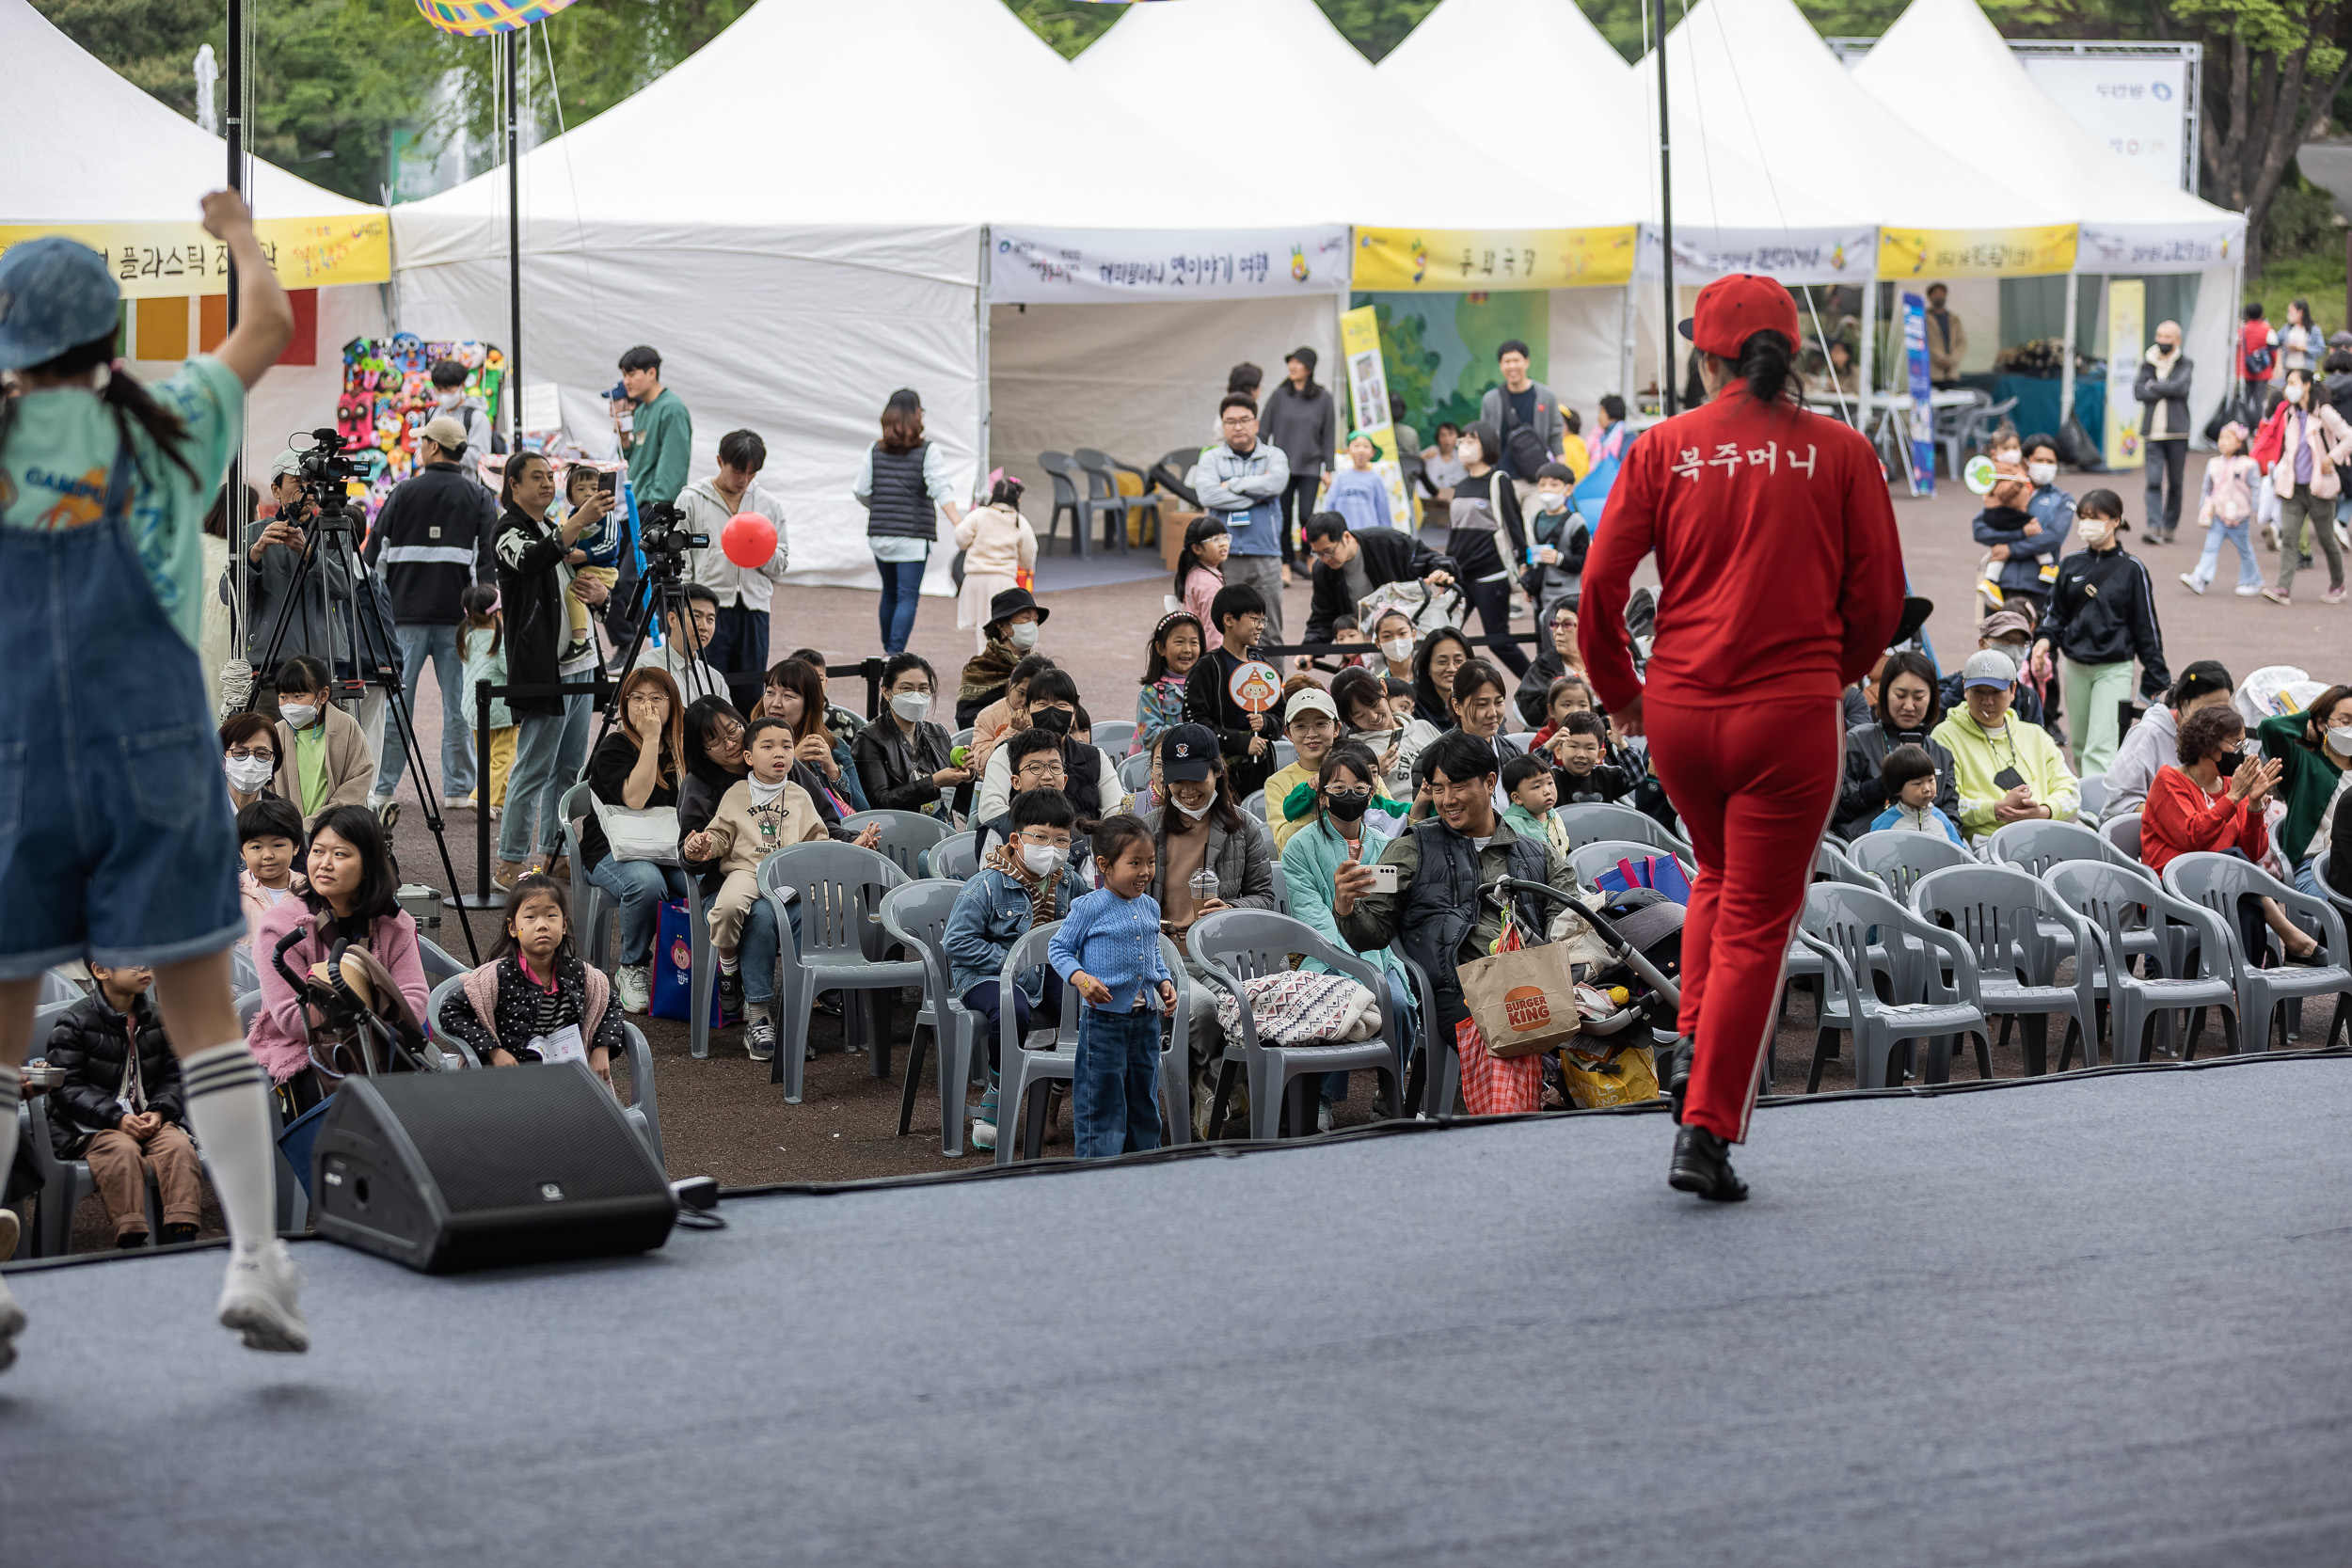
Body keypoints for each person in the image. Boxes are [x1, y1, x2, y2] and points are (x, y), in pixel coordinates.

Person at [1578, 274, 1905, 1201]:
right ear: (1790, 351)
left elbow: (1598, 588)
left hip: (1679, 712)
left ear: (1705, 353)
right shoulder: (1840, 450)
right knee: (1760, 918)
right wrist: (1823, 668)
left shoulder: (1662, 447)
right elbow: (1879, 600)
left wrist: (1623, 693)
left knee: (1720, 876)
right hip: (1787, 714)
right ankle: (1706, 1127)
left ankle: (1691, 1041)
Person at [1332, 731, 1581, 1117]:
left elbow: (1568, 917)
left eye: (1458, 786)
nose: (1446, 800)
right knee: (1508, 1041)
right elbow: (1373, 933)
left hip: (1535, 982)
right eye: (1437, 788)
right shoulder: (1409, 847)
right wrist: (1346, 907)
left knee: (1614, 1026)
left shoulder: (1534, 852)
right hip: (1454, 988)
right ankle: (1510, 1145)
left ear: (1490, 782)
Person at [1135, 725, 1277, 1134]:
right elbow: (1122, 898)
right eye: (1177, 779)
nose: (1187, 789)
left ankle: (1213, 1081)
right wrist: (1152, 923)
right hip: (1165, 957)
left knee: (1252, 1008)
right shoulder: (1146, 829)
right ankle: (1214, 1080)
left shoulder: (1244, 829)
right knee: (1201, 1010)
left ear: (1217, 772)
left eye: (1197, 777)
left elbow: (1265, 896)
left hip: (1224, 958)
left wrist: (1230, 908)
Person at [361, 411, 498, 812]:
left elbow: (373, 558)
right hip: (460, 621)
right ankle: (458, 789)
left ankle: (382, 789)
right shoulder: (479, 497)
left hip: (403, 618)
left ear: (433, 447)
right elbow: (486, 568)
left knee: (396, 704)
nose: (420, 447)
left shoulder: (403, 492)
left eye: (422, 441)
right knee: (459, 706)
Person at [1279, 741, 1418, 1130]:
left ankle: (1390, 1092)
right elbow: (1311, 916)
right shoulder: (1299, 847)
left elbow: (1386, 915)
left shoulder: (1384, 845)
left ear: (1371, 795)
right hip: (1321, 956)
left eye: (1359, 789)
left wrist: (1370, 960)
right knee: (1337, 1006)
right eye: (1338, 789)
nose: (1349, 796)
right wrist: (1352, 963)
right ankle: (1323, 1098)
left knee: (1402, 1006)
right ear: (1322, 796)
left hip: (1378, 953)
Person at [247, 804, 428, 1099]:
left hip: (383, 1045)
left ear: (368, 863)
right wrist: (374, 1010)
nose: (324, 864)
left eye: (340, 854)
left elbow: (415, 999)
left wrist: (358, 1020)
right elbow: (291, 1018)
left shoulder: (394, 923)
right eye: (318, 851)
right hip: (303, 1051)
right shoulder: (279, 927)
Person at [946, 786, 1089, 1151]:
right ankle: (998, 1085)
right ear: (1016, 838)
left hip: (1046, 971)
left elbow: (1087, 922)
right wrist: (1013, 964)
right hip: (984, 976)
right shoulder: (987, 885)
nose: (1052, 849)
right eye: (1041, 838)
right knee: (1014, 1008)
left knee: (1079, 1005)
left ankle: (1055, 1086)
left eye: (1061, 840)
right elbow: (957, 943)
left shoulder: (1069, 881)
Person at [493, 451, 613, 884]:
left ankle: (553, 853)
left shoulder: (551, 526)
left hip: (580, 664)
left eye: (550, 477)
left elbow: (572, 588)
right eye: (537, 477)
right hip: (544, 669)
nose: (547, 484)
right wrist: (578, 520)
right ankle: (509, 860)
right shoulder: (508, 530)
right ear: (513, 485)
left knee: (568, 767)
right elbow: (531, 560)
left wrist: (600, 597)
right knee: (533, 766)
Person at [682, 718, 829, 1060]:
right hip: (747, 870)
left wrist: (851, 846)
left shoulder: (799, 794)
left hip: (789, 878)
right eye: (768, 746)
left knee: (816, 912)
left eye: (786, 746)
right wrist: (703, 846)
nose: (779, 753)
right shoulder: (736, 793)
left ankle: (795, 1022)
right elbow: (720, 835)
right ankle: (729, 969)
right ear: (748, 757)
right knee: (729, 907)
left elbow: (818, 839)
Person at [2142, 705, 2319, 967]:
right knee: (2235, 866)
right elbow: (2193, 837)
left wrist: (2255, 806)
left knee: (2244, 893)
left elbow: (2254, 852)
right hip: (2172, 892)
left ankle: (2247, 981)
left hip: (2225, 890)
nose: (2243, 753)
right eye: (2236, 746)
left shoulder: (2228, 786)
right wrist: (2234, 797)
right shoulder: (2169, 781)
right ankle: (2287, 940)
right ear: (2208, 747)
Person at [42, 962, 204, 1247]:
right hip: (90, 1127)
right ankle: (131, 1236)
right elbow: (65, 1087)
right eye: (133, 963)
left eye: (147, 962)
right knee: (122, 1151)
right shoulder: (75, 1021)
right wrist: (116, 1118)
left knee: (178, 1147)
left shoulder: (159, 1017)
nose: (145, 969)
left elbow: (174, 1075)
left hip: (148, 1118)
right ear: (101, 970)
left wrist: (159, 1111)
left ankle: (183, 1236)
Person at [1048, 816, 1176, 1159]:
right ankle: (1098, 1173)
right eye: (1134, 863)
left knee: (1144, 1101)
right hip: (1104, 1024)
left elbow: (1152, 954)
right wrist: (1082, 979)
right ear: (1104, 865)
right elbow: (1058, 949)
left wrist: (1163, 981)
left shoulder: (1149, 907)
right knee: (1102, 1101)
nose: (1145, 872)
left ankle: (1144, 1167)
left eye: (1150, 862)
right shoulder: (1089, 906)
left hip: (1145, 1021)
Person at [437, 874, 626, 1085]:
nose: (542, 925)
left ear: (564, 925)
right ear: (512, 928)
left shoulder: (580, 974)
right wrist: (493, 1051)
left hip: (567, 1081)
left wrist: (602, 1048)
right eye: (530, 917)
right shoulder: (497, 976)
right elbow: (451, 1011)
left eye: (551, 915)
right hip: (510, 1083)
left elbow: (611, 1004)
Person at [2032, 488, 2169, 776]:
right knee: (2080, 745)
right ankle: (2088, 809)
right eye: (2083, 517)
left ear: (2115, 521)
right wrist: (2044, 641)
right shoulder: (2070, 563)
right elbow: (2055, 612)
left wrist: (2157, 676)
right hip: (2076, 667)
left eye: (2095, 517)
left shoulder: (2133, 569)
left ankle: (2097, 816)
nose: (2086, 523)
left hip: (2114, 668)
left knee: (2102, 746)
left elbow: (2146, 627)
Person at [579, 668, 692, 1012]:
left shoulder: (686, 747)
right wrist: (652, 739)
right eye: (638, 698)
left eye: (657, 698)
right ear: (625, 704)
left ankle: (712, 970)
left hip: (669, 848)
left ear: (673, 704)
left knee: (704, 882)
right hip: (612, 850)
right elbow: (637, 799)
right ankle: (633, 966)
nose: (647, 706)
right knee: (646, 882)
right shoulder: (615, 745)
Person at [1931, 648, 2080, 842]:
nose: (1987, 701)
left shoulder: (2035, 734)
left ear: (2013, 691)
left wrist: (2043, 811)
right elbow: (1940, 801)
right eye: (1978, 691)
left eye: (1996, 692)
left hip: (2043, 837)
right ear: (1965, 689)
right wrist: (1995, 808)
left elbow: (2071, 790)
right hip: (1983, 845)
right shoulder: (1944, 736)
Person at [856, 388, 963, 656]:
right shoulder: (928, 450)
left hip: (880, 535)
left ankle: (886, 651)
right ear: (916, 415)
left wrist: (879, 508)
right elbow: (940, 487)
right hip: (913, 537)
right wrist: (959, 523)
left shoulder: (874, 449)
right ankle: (894, 654)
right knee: (907, 596)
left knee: (889, 592)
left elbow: (861, 490)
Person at [680, 429, 789, 685]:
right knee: (706, 688)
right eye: (738, 470)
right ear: (720, 461)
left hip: (755, 608)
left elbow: (781, 564)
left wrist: (758, 550)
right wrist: (687, 604)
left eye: (752, 473)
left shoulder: (768, 504)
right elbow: (681, 557)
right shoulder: (691, 499)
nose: (744, 479)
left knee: (750, 690)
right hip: (708, 608)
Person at [1187, 395, 1291, 648]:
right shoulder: (1211, 458)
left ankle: (1274, 685)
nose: (1238, 426)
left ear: (1256, 424)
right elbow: (1207, 494)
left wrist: (1232, 485)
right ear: (1223, 426)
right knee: (1222, 630)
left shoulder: (1274, 455)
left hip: (1266, 554)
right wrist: (1257, 495)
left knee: (1268, 631)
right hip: (1223, 557)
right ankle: (1225, 685)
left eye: (1244, 420)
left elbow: (1276, 483)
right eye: (1230, 421)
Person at [1299, 512, 1454, 664]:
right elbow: (1323, 615)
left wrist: (1440, 571)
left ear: (1346, 537)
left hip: (1405, 636)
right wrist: (1309, 650)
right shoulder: (1322, 569)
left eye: (1329, 552)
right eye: (1318, 553)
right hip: (1364, 648)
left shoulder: (1385, 541)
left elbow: (1428, 558)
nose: (1325, 559)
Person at [1835, 649, 1958, 839]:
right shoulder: (1856, 741)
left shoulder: (1941, 753)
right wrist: (1884, 784)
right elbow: (1836, 809)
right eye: (1900, 695)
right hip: (1864, 855)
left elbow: (1951, 815)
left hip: (1931, 854)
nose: (1909, 706)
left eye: (1918, 697)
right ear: (1884, 693)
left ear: (1932, 697)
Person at [1443, 422, 1533, 676]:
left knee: (1498, 640)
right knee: (1445, 637)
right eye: (1463, 440)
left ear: (1488, 445)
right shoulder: (1461, 485)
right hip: (1461, 575)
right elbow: (1456, 531)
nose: (1464, 446)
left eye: (1472, 440)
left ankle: (1537, 686)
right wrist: (1445, 567)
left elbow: (1515, 526)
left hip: (1490, 576)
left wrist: (1526, 564)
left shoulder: (1498, 480)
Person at [974, 668, 1117, 826]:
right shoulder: (1006, 753)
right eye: (1042, 703)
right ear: (1027, 711)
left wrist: (1090, 837)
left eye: (1061, 704)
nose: (1052, 710)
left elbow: (1116, 810)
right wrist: (1040, 832)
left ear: (1074, 713)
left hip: (1084, 847)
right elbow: (990, 810)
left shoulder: (1096, 757)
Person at [2258, 367, 2352, 607]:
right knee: (2289, 537)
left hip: (2319, 487)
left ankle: (2338, 584)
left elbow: (2348, 436)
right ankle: (2283, 588)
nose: (2289, 387)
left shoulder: (2324, 413)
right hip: (2293, 486)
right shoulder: (2290, 412)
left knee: (2326, 538)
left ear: (2307, 385)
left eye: (2293, 382)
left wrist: (2332, 457)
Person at [1184, 582, 1283, 798]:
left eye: (1262, 620)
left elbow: (1281, 716)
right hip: (1221, 773)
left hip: (1262, 769)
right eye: (1254, 619)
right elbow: (1194, 723)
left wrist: (1266, 723)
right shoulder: (1207, 667)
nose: (1260, 626)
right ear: (1229, 619)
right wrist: (1241, 742)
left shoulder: (1262, 665)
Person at [2254, 683, 2352, 896]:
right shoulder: (2303, 763)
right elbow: (2271, 728)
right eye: (2345, 721)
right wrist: (2306, 722)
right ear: (2321, 723)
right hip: (2313, 866)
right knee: (2334, 912)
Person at [2104, 660, 2234, 818]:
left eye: (2222, 709)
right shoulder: (2147, 734)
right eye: (2208, 709)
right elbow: (2121, 801)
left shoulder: (2218, 738)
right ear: (2183, 703)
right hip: (2140, 832)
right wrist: (2178, 820)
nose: (2216, 717)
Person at [1972, 432, 2074, 624]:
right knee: (1996, 648)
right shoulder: (2004, 491)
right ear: (2026, 461)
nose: (2044, 466)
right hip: (2000, 588)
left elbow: (2052, 538)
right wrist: (2020, 533)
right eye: (2039, 460)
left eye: (2050, 461)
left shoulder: (2062, 499)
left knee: (2038, 650)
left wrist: (2009, 549)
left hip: (2040, 588)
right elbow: (1980, 529)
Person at [269, 655, 375, 830]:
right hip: (286, 833)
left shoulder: (346, 727)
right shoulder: (276, 733)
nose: (289, 704)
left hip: (335, 829)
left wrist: (318, 822)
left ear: (323, 695)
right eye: (283, 697)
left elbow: (359, 776)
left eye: (298, 696)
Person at [853, 653, 965, 817]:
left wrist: (967, 775)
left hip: (939, 829)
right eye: (906, 688)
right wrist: (932, 783)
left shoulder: (937, 733)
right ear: (886, 692)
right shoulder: (870, 738)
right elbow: (878, 802)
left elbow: (964, 801)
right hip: (895, 833)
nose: (916, 695)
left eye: (923, 688)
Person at [1261, 348, 1337, 578]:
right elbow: (1263, 430)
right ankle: (1286, 563)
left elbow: (1329, 435)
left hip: (1311, 466)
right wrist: (1261, 461)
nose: (1292, 367)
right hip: (1281, 467)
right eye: (1290, 362)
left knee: (1306, 516)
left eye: (1297, 363)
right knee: (1282, 516)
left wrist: (1329, 468)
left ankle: (1308, 554)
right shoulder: (1279, 395)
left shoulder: (1323, 398)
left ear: (1309, 368)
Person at [758, 657, 866, 819]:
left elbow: (864, 812)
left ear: (810, 703)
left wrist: (833, 771)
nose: (775, 703)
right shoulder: (751, 746)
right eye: (770, 693)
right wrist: (793, 762)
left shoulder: (835, 748)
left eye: (788, 696)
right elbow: (755, 809)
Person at [954, 476, 1038, 655]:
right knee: (1003, 628)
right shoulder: (1020, 521)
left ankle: (983, 662)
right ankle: (998, 664)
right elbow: (1028, 559)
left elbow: (961, 539)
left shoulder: (978, 515)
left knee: (981, 626)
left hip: (975, 579)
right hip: (1003, 581)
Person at [2182, 421, 2263, 597]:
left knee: (2245, 550)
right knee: (2210, 548)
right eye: (2221, 438)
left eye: (2228, 438)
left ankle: (2253, 581)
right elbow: (2207, 488)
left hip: (2240, 518)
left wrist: (2256, 510)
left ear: (2239, 443)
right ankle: (2200, 578)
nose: (2223, 442)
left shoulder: (2248, 465)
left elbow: (2256, 489)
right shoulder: (2213, 464)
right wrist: (2204, 507)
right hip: (2218, 515)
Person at [454, 584, 516, 812]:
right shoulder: (499, 640)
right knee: (502, 757)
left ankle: (498, 800)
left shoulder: (467, 637)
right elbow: (508, 670)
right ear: (497, 613)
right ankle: (481, 797)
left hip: (474, 709)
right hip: (500, 709)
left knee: (488, 758)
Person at [1263, 684, 1345, 849]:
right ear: (1288, 734)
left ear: (1336, 728)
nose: (1311, 734)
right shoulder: (1277, 783)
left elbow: (1389, 818)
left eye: (1320, 724)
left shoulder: (1361, 771)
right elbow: (1284, 841)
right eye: (1300, 726)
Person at [2135, 320, 2194, 545]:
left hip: (2177, 433)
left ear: (2177, 340)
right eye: (2159, 336)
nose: (2162, 341)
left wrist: (2154, 385)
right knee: (2153, 480)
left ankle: (2170, 526)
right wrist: (2163, 387)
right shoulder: (2147, 363)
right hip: (2152, 433)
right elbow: (2138, 392)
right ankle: (2154, 525)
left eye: (2167, 337)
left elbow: (2181, 388)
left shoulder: (2185, 363)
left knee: (2176, 482)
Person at [957, 587, 1048, 730]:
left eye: (1035, 620)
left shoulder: (1041, 666)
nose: (1033, 625)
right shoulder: (979, 668)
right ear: (1001, 624)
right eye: (1026, 618)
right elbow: (966, 720)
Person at [559, 463, 625, 662]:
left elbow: (612, 546)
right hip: (586, 566)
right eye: (581, 489)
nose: (588, 494)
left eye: (594, 489)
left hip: (602, 569)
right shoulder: (573, 517)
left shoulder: (608, 516)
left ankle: (580, 643)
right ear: (571, 496)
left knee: (574, 594)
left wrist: (584, 555)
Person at [614, 344, 691, 511]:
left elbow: (674, 465)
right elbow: (639, 458)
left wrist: (655, 503)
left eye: (632, 375)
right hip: (637, 504)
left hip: (655, 507)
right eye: (624, 375)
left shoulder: (672, 409)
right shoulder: (641, 410)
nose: (626, 382)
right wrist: (625, 440)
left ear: (651, 373)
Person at [1480, 340, 1565, 485]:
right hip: (1501, 478)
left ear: (1527, 362)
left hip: (1537, 478)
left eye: (1516, 360)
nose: (1512, 366)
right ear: (1500, 365)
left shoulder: (1545, 396)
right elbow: (1485, 439)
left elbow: (1555, 434)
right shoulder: (1491, 399)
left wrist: (1562, 469)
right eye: (1506, 361)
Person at [967, 651, 1056, 775]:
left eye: (1034, 697)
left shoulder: (1054, 714)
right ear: (1010, 685)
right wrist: (1011, 732)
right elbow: (981, 766)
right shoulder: (989, 716)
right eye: (1021, 692)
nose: (1024, 702)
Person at [237, 797, 307, 949]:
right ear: (242, 852)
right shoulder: (232, 895)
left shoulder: (310, 893)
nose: (268, 854)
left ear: (295, 847)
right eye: (256, 847)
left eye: (277, 845)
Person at [1135, 610, 1204, 757]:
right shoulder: (1151, 692)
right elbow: (1149, 736)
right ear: (1160, 648)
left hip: (1200, 760)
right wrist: (1188, 733)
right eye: (1179, 642)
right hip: (1165, 765)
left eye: (1194, 642)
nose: (1187, 649)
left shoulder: (1207, 686)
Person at [1523, 462, 1587, 617]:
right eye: (1542, 485)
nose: (1547, 490)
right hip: (1540, 594)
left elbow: (1583, 561)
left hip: (1565, 596)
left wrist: (1559, 559)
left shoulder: (1576, 523)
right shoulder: (1536, 518)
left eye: (1554, 485)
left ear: (1568, 489)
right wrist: (1530, 584)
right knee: (1541, 635)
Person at [1869, 744, 1963, 844]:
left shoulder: (1941, 819)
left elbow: (1959, 853)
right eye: (1918, 784)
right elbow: (1873, 854)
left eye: (1931, 780)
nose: (1927, 789)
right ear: (1897, 788)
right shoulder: (1885, 824)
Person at [1546, 709, 1640, 805]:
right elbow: (1532, 773)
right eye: (1574, 747)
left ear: (1600, 755)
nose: (1581, 754)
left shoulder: (1607, 776)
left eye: (1589, 748)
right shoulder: (1552, 778)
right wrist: (1548, 747)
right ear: (1559, 751)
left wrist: (1621, 744)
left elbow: (1636, 777)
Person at [1513, 601, 1582, 729]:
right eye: (1555, 624)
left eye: (1567, 624)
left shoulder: (1608, 663)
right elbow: (1529, 711)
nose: (1558, 631)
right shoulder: (1546, 664)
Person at [426, 357, 493, 479]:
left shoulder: (476, 417)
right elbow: (422, 446)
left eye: (448, 389)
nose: (444, 394)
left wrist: (446, 451)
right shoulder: (432, 413)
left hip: (464, 487)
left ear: (462, 386)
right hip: (434, 485)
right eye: (439, 390)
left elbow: (481, 458)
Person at [1319, 432, 1392, 535]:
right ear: (1348, 450)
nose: (1361, 450)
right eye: (1356, 446)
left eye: (1366, 446)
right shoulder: (1341, 477)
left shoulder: (1375, 479)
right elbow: (1330, 504)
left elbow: (1383, 509)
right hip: (1342, 533)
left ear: (1373, 452)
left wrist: (1386, 534)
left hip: (1368, 535)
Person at [1173, 516, 1230, 651]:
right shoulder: (1208, 584)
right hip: (1207, 653)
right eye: (1215, 540)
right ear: (1197, 549)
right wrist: (1218, 661)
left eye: (1225, 537)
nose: (1223, 543)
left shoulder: (1194, 573)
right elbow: (1214, 628)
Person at [1500, 752, 1572, 855]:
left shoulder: (1553, 814)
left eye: (1550, 783)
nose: (1547, 791)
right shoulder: (1511, 825)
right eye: (1537, 786)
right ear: (1517, 798)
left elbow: (1563, 850)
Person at [1408, 626, 1474, 729]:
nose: (1451, 669)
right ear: (1427, 667)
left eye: (1458, 661)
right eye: (1442, 662)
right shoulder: (1411, 701)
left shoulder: (1481, 695)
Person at [219, 711, 281, 812]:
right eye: (240, 753)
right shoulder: (198, 810)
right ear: (221, 757)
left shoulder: (282, 816)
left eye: (261, 753)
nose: (251, 763)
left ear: (274, 760)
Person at [2240, 301, 2280, 408]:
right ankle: (2256, 425)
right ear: (2261, 314)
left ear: (2247, 314)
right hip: (2262, 372)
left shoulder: (2242, 330)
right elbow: (2273, 352)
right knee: (2259, 402)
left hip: (2245, 371)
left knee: (2244, 401)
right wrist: (2272, 367)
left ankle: (2243, 424)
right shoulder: (2267, 330)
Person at [1924, 282, 1965, 386]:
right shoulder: (1924, 317)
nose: (1939, 296)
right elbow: (1926, 342)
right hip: (1933, 372)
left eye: (1942, 293)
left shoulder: (1954, 319)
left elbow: (1961, 343)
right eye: (1936, 293)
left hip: (1951, 373)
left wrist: (1951, 360)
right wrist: (1942, 359)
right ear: (1930, 297)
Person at [1369, 606, 1420, 687]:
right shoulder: (1378, 685)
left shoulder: (1429, 677)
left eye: (1402, 633)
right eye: (1387, 636)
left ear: (1413, 635)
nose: (1396, 640)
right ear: (1378, 643)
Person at [1417, 420, 1467, 502]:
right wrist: (1423, 457)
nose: (1447, 439)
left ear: (1457, 437)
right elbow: (1414, 465)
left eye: (1451, 434)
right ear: (1438, 437)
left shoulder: (1461, 458)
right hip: (1427, 498)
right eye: (1443, 435)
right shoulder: (1431, 452)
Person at [1589, 396, 1630, 467]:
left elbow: (1624, 466)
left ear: (1611, 412)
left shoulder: (1627, 437)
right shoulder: (1603, 435)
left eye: (1601, 411)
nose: (1599, 417)